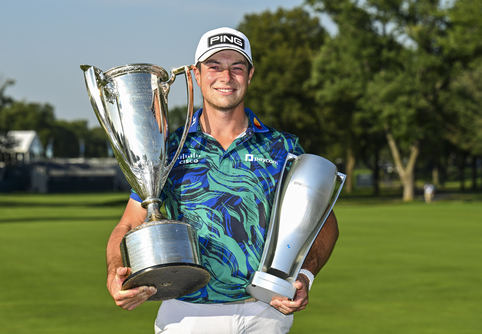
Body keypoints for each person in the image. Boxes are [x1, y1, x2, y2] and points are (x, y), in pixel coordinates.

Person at [106, 27, 339, 334]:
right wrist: (114, 274)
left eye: (237, 68)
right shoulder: (165, 148)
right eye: (214, 66)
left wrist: (305, 276)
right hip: (185, 314)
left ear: (250, 74)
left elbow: (324, 223)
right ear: (196, 75)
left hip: (265, 313)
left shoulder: (282, 148)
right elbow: (128, 224)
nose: (226, 77)